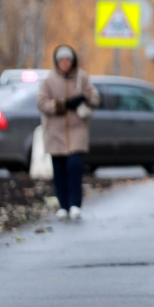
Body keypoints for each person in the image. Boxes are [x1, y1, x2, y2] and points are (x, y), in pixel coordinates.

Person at [37, 45, 99, 221]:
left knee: (75, 166)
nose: (65, 63)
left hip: (77, 129)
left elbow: (95, 97)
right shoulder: (48, 80)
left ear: (73, 61)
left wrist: (85, 99)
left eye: (68, 60)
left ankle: (75, 204)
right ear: (57, 62)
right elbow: (42, 103)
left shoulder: (82, 78)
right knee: (59, 170)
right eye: (61, 60)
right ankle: (63, 205)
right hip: (55, 130)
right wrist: (62, 104)